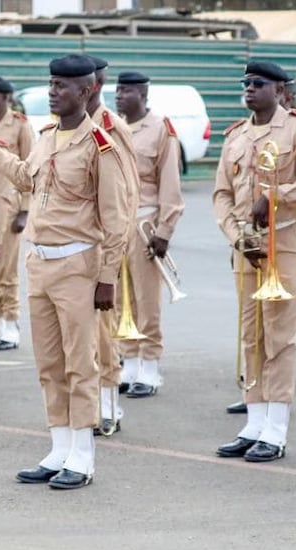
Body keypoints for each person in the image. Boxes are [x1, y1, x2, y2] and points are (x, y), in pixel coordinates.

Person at [0, 54, 126, 489]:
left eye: (63, 86)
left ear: (87, 91)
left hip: (78, 265)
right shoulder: (47, 137)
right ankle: (59, 447)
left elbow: (117, 219)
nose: (53, 91)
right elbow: (25, 177)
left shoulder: (100, 144)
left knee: (80, 363)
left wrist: (107, 278)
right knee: (49, 363)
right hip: (41, 262)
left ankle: (83, 455)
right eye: (50, 84)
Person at [213, 61, 296, 463]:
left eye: (258, 83)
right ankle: (254, 421)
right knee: (250, 335)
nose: (249, 88)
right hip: (247, 246)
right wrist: (235, 236)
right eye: (245, 83)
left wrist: (278, 194)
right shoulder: (236, 135)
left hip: (283, 241)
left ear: (279, 90)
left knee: (280, 337)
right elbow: (221, 194)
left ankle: (276, 429)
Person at [114, 71, 184, 398]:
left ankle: (150, 366)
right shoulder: (111, 126)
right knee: (118, 297)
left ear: (142, 94)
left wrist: (165, 230)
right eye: (117, 90)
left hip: (145, 222)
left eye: (126, 90)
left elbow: (170, 184)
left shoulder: (161, 129)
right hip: (115, 223)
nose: (119, 95)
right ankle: (128, 361)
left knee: (146, 299)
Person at [85, 56, 139, 435]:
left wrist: (114, 251)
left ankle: (108, 406)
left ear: (96, 82)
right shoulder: (61, 126)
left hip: (103, 243)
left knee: (103, 333)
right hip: (72, 245)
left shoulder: (111, 127)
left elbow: (127, 191)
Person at [0, 76, 33, 358]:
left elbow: (30, 168)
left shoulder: (20, 125)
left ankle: (9, 324)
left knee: (6, 270)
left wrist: (26, 210)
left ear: (5, 97)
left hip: (9, 203)